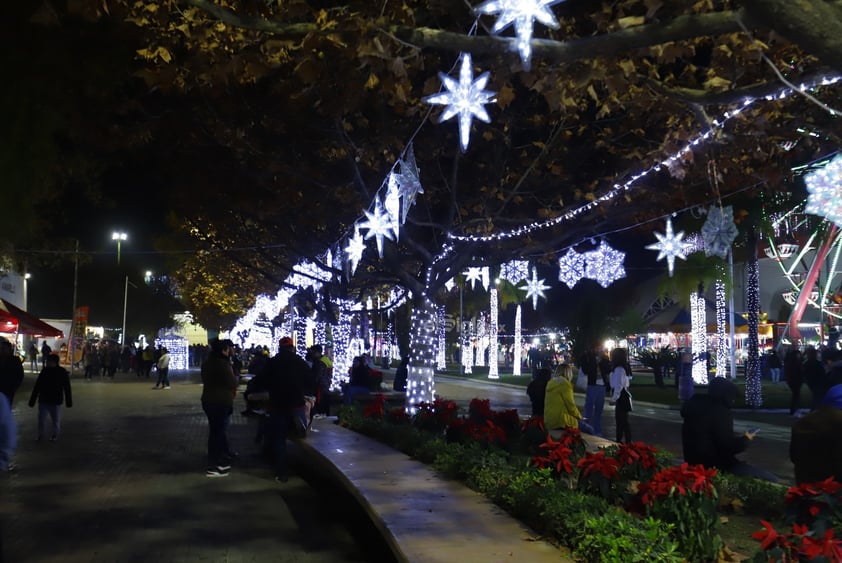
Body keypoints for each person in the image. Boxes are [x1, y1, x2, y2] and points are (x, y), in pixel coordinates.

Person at [681, 377, 777, 481]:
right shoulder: (720, 412)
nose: (733, 401)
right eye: (732, 397)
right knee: (771, 479)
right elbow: (728, 446)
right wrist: (746, 438)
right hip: (716, 467)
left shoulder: (695, 408)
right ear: (726, 395)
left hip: (693, 463)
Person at [250, 336, 310, 483]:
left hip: (277, 405)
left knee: (279, 439)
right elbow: (311, 379)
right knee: (301, 434)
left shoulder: (272, 362)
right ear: (292, 348)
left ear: (280, 348)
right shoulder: (300, 362)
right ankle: (299, 429)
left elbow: (261, 379)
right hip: (296, 404)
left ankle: (282, 473)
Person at [200, 338, 238, 477]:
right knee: (217, 433)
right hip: (219, 401)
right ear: (223, 350)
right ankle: (213, 465)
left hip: (209, 400)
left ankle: (218, 460)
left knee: (216, 432)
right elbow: (232, 382)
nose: (230, 351)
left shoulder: (208, 362)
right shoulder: (222, 364)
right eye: (228, 349)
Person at [790, 383, 842, 484]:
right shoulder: (838, 425)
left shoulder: (803, 423)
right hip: (834, 490)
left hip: (805, 486)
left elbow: (794, 456)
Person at [27, 354, 73, 442]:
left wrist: (68, 401)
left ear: (54, 362)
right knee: (42, 420)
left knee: (55, 420)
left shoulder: (61, 372)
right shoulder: (45, 371)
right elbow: (37, 386)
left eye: (48, 361)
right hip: (45, 400)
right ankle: (41, 435)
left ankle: (54, 435)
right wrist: (32, 400)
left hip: (55, 401)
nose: (47, 362)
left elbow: (67, 387)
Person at [544, 364, 593, 433]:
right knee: (589, 430)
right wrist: (580, 417)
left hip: (549, 420)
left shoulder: (550, 382)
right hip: (561, 420)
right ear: (568, 373)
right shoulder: (565, 384)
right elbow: (571, 406)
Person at [582, 349, 608, 437]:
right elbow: (585, 369)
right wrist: (595, 362)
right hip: (592, 384)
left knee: (599, 410)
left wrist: (602, 361)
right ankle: (586, 429)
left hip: (602, 385)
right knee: (588, 408)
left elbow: (607, 369)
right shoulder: (588, 356)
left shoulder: (604, 357)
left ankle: (597, 430)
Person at [609, 348, 632, 443]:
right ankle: (625, 441)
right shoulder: (622, 368)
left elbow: (618, 385)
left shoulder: (619, 369)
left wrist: (614, 398)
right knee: (623, 421)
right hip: (623, 395)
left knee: (621, 421)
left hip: (621, 397)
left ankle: (621, 442)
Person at [307, 345, 332, 420]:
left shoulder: (321, 362)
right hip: (324, 387)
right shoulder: (324, 360)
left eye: (313, 353)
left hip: (320, 389)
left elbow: (317, 377)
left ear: (317, 353)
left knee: (320, 411)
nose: (312, 354)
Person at [0, 339, 24, 406]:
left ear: (9, 349)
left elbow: (20, 375)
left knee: (6, 408)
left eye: (3, 348)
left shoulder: (15, 360)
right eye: (1, 348)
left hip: (8, 390)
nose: (2, 350)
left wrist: (13, 387)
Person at [802, 346, 827, 410]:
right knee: (817, 397)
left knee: (816, 396)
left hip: (812, 382)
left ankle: (815, 409)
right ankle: (815, 409)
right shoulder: (817, 363)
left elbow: (803, 372)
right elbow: (823, 373)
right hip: (818, 382)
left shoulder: (807, 363)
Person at [783, 348, 804, 415]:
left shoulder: (793, 362)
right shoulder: (795, 363)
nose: (799, 356)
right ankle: (794, 410)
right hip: (795, 380)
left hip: (795, 380)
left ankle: (794, 410)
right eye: (798, 354)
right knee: (796, 395)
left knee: (796, 395)